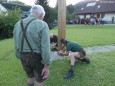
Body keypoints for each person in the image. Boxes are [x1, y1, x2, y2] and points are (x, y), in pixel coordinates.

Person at [13, 5, 51, 86]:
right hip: (36, 58)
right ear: (41, 15)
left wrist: (19, 56)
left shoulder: (17, 24)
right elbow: (45, 47)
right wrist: (46, 66)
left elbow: (16, 43)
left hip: (22, 57)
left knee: (30, 77)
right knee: (39, 81)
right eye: (43, 16)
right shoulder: (42, 24)